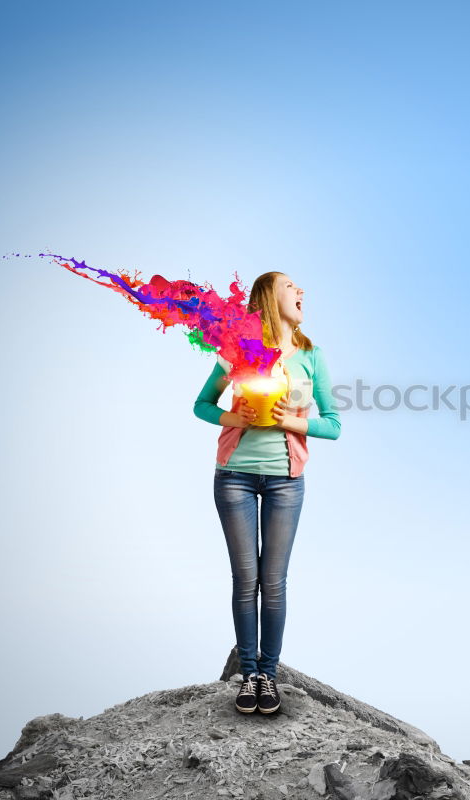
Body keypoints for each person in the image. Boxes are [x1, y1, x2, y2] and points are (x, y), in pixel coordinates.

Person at [193, 271, 341, 714]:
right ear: (267, 296)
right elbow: (201, 404)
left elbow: (333, 423)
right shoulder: (236, 350)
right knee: (246, 580)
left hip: (285, 483)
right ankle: (248, 676)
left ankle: (269, 678)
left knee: (273, 583)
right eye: (291, 285)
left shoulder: (311, 356)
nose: (301, 290)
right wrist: (232, 419)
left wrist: (291, 421)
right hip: (234, 476)